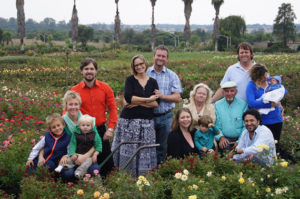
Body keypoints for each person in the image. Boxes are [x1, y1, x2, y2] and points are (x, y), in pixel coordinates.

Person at [111, 55, 159, 176]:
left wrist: (137, 102)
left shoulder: (153, 82)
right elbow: (128, 98)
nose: (139, 67)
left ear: (145, 64)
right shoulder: (130, 80)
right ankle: (126, 178)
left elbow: (156, 103)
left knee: (145, 151)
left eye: (141, 63)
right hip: (129, 122)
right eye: (136, 65)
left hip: (147, 123)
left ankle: (144, 178)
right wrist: (148, 99)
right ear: (133, 67)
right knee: (129, 151)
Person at [71, 58, 118, 177]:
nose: (89, 71)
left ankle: (108, 188)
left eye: (92, 69)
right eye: (86, 69)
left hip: (101, 131)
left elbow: (113, 108)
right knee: (82, 163)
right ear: (81, 71)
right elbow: (68, 110)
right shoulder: (75, 90)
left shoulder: (105, 87)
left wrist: (111, 128)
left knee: (107, 162)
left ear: (96, 71)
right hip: (83, 132)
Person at [146, 45, 182, 164]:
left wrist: (162, 96)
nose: (160, 58)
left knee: (162, 147)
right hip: (148, 116)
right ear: (154, 56)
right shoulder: (145, 73)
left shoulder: (172, 75)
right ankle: (146, 170)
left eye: (163, 56)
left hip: (166, 116)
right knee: (146, 146)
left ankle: (159, 170)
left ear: (167, 59)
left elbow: (177, 98)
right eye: (158, 55)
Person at [60, 91, 101, 181]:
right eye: (70, 104)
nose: (73, 107)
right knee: (68, 173)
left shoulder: (88, 121)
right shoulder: (62, 122)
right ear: (66, 105)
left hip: (87, 155)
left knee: (94, 170)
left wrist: (85, 156)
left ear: (79, 105)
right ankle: (71, 189)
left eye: (76, 104)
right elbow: (59, 141)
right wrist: (66, 155)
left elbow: (97, 142)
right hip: (71, 154)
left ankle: (90, 189)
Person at [246, 64, 286, 151]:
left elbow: (282, 91)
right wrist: (270, 105)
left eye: (266, 75)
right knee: (261, 146)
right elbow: (252, 103)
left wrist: (279, 103)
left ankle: (276, 162)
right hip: (262, 121)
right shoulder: (251, 85)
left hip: (276, 119)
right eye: (262, 77)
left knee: (275, 144)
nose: (265, 79)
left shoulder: (271, 82)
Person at [214, 81, 248, 151]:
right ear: (223, 93)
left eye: (232, 91)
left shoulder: (243, 104)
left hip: (240, 138)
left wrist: (239, 141)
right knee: (224, 156)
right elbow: (216, 125)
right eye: (226, 91)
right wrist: (221, 137)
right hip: (224, 138)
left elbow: (245, 125)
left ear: (236, 92)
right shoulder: (217, 105)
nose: (229, 93)